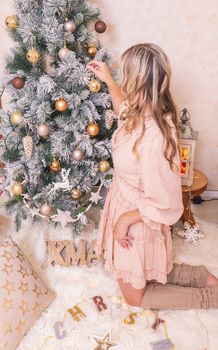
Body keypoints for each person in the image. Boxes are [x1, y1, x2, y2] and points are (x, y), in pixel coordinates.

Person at [87, 43, 218, 310]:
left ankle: (210, 298)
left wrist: (125, 219)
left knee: (134, 297)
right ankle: (201, 276)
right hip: (127, 204)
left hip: (139, 219)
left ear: (138, 81)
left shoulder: (154, 139)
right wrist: (108, 81)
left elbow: (165, 201)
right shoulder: (140, 110)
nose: (122, 80)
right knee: (148, 268)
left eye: (125, 75)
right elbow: (123, 111)